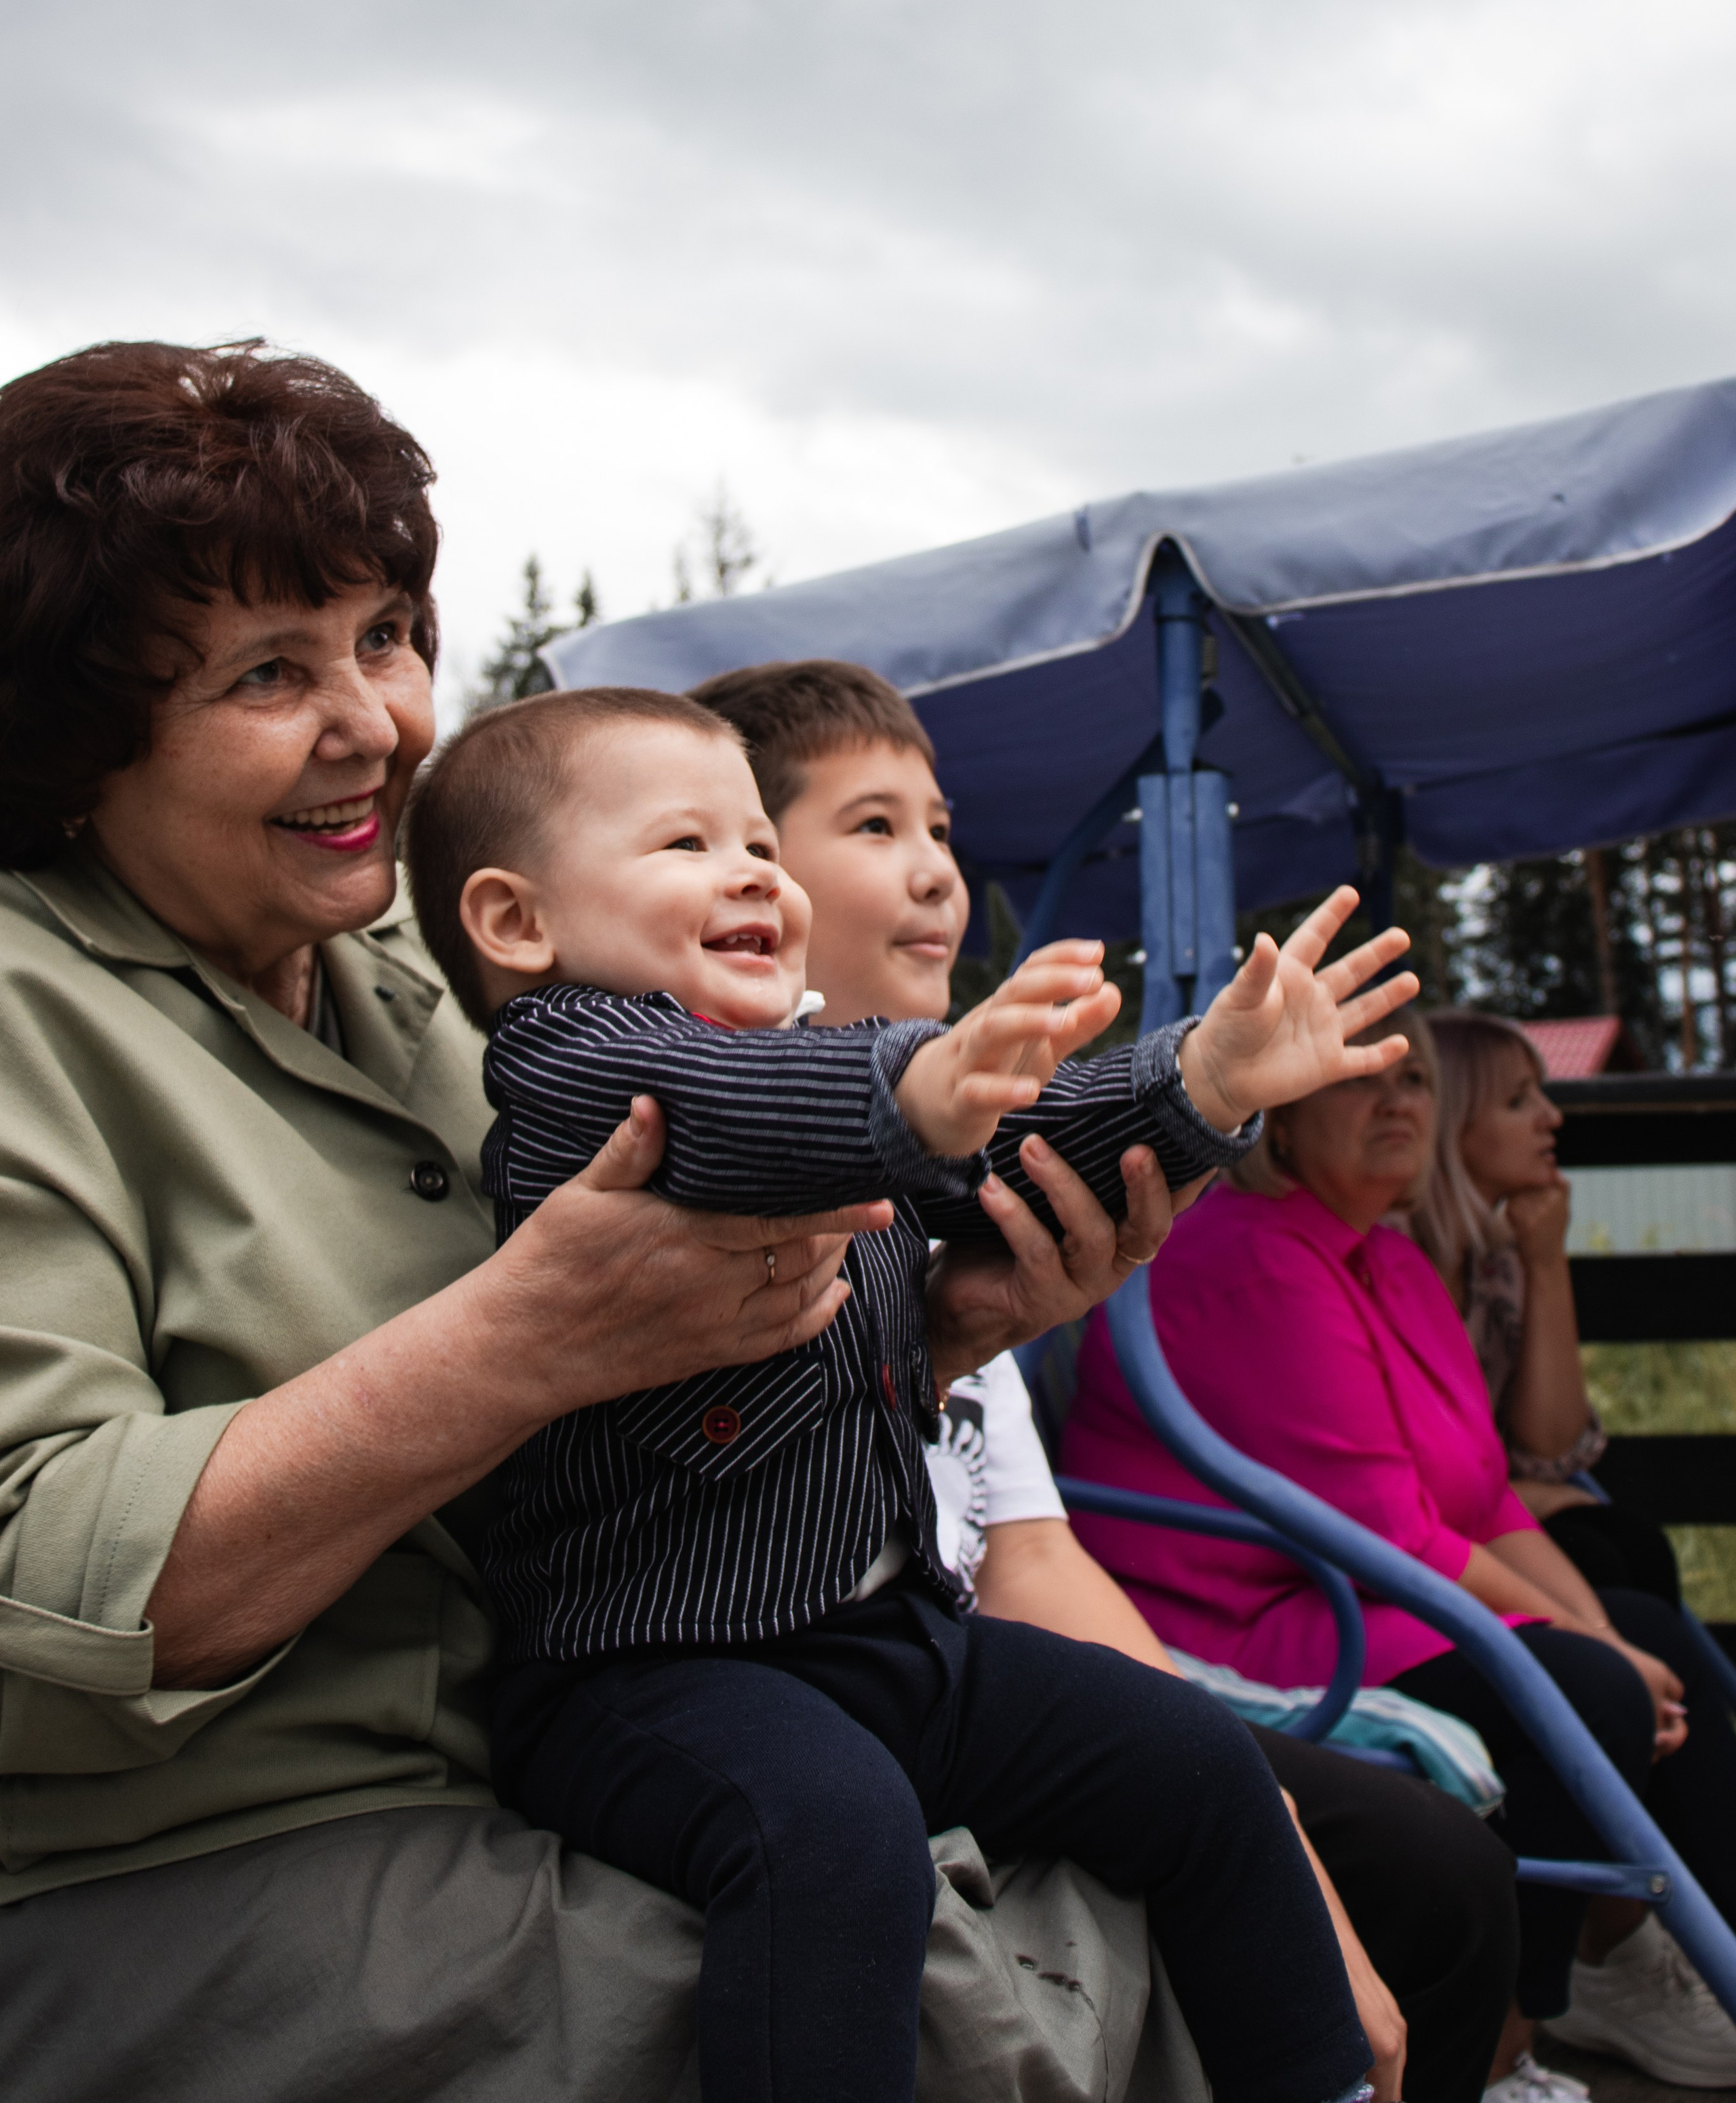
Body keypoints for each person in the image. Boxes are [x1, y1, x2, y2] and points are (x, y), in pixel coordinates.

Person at [0, 338, 1190, 2103]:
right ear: (82, 731)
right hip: (186, 1858)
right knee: (1008, 1997)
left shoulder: (427, 971)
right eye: (271, 670)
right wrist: (513, 1345)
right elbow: (36, 1576)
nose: (382, 725)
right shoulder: (34, 1012)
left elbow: (663, 1326)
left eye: (389, 637)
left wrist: (931, 1327)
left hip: (569, 1745)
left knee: (1170, 1857)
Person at [401, 679, 1425, 2103]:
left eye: (759, 841)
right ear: (519, 923)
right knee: (828, 1838)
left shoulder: (830, 1071)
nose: (750, 872)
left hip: (875, 1637)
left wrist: (1195, 1083)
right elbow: (736, 1115)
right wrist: (916, 1090)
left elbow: (1014, 1144)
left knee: (1192, 1759)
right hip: (645, 1675)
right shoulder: (575, 1071)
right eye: (686, 844)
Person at [692, 655, 1522, 2103]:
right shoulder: (718, 1145)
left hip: (952, 1668)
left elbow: (1027, 1552)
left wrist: (1252, 1823)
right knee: (1411, 1863)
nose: (940, 875)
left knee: (1417, 1876)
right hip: (785, 1696)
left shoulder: (956, 1188)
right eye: (877, 828)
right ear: (754, 875)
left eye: (941, 830)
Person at [1061, 1012, 1736, 2091]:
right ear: (1279, 1115)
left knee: (1643, 1636)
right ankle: (1519, 2031)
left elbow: (1481, 1501)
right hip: (1243, 1616)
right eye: (1358, 1076)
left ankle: (1668, 1942)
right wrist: (1578, 1642)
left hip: (1351, 1589)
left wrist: (1601, 1628)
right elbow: (1397, 1532)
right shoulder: (1252, 1261)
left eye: (1417, 1079)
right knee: (1587, 1683)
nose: (1399, 1101)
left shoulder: (1393, 1263)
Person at [1416, 1010, 1678, 1607]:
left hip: (1495, 1517)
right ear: (1450, 1124)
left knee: (1630, 1547)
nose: (1551, 1117)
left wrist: (1545, 1261)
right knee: (1601, 1562)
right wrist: (1526, 1495)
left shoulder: (1494, 1264)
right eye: (1518, 1101)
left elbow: (1553, 1448)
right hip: (1435, 1539)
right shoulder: (1390, 1259)